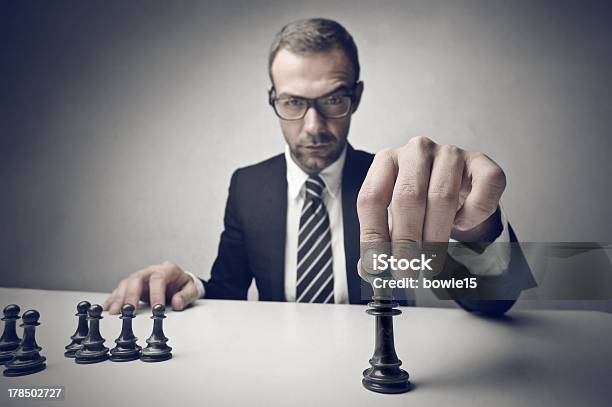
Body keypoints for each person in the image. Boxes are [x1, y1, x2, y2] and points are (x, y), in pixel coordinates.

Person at [104, 18, 532, 317]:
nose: (313, 126)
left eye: (332, 99)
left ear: (356, 96)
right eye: (292, 102)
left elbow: (491, 303)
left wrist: (474, 227)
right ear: (273, 98)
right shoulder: (248, 186)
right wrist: (188, 286)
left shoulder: (401, 186)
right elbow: (228, 294)